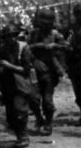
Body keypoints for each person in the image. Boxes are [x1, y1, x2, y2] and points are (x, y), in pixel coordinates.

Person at [28, 8, 66, 136]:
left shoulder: (55, 34)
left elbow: (66, 47)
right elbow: (26, 48)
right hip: (34, 70)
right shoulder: (34, 34)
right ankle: (39, 118)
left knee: (47, 100)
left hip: (50, 71)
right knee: (32, 99)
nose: (45, 25)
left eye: (48, 23)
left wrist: (55, 46)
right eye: (43, 23)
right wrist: (39, 45)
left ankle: (48, 123)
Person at [0, 23, 35, 148]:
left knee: (20, 111)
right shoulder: (2, 48)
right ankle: (19, 136)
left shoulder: (24, 48)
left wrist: (8, 66)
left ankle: (23, 137)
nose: (11, 39)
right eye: (8, 36)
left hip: (21, 84)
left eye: (13, 36)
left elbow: (26, 70)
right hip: (7, 84)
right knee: (11, 114)